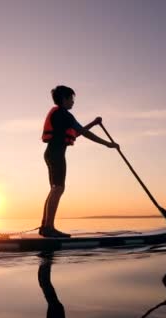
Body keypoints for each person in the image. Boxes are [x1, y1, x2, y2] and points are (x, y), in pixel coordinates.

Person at [40, 85, 119, 238]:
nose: (73, 102)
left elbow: (76, 133)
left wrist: (93, 123)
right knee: (58, 189)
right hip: (56, 155)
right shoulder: (65, 115)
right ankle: (49, 228)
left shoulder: (60, 115)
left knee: (54, 189)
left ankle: (45, 227)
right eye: (72, 99)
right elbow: (84, 133)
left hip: (50, 153)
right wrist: (108, 144)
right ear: (64, 99)